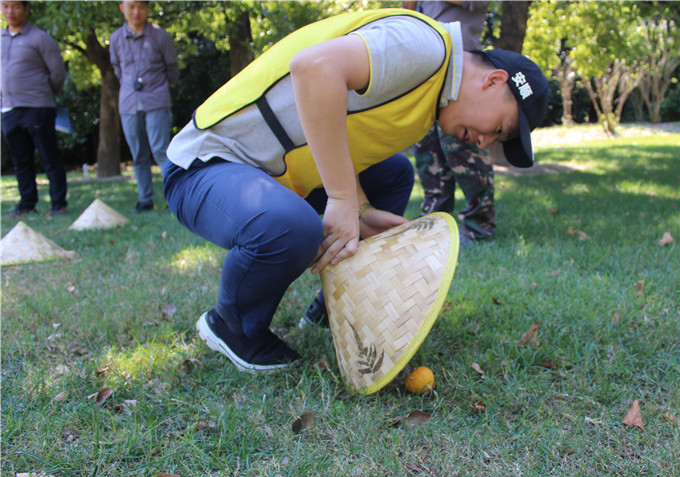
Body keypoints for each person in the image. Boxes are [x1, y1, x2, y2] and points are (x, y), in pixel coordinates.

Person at [163, 8, 548, 372]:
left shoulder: (430, 99)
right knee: (295, 227)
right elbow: (313, 68)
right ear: (494, 81)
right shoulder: (426, 47)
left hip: (268, 170)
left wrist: (360, 210)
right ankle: (233, 325)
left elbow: (342, 134)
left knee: (394, 174)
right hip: (203, 165)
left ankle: (332, 305)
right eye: (500, 129)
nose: (485, 143)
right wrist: (343, 199)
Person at [404, 0, 496, 243]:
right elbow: (408, 12)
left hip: (461, 78)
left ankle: (479, 226)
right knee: (428, 153)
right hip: (427, 74)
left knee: (465, 153)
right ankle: (434, 224)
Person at [1, 0, 68, 218]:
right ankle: (27, 202)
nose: (10, 11)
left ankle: (58, 203)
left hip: (38, 107)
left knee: (49, 158)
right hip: (9, 109)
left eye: (16, 6)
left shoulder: (40, 38)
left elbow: (57, 73)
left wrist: (42, 94)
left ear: (26, 9)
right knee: (21, 161)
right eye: (5, 6)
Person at [110, 0, 178, 213]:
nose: (136, 12)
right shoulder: (115, 39)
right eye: (131, 6)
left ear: (147, 8)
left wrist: (157, 88)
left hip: (156, 100)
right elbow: (117, 69)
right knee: (138, 154)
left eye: (141, 6)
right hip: (129, 103)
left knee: (161, 150)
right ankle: (145, 199)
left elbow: (172, 70)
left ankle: (174, 198)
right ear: (122, 8)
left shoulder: (160, 36)